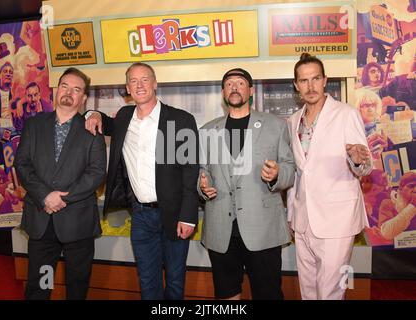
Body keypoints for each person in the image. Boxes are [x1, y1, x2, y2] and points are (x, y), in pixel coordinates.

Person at [85, 62, 199, 300]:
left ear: (155, 83)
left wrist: (188, 216)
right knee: (147, 281)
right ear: (127, 87)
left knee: (175, 282)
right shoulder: (125, 117)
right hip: (141, 217)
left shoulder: (180, 120)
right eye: (133, 81)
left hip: (174, 214)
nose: (139, 85)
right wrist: (91, 113)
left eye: (145, 79)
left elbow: (190, 172)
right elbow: (103, 122)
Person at [198, 68, 295, 300]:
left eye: (240, 83)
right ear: (223, 92)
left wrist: (277, 174)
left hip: (262, 230)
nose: (234, 87)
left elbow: (290, 168)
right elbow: (201, 171)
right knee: (226, 294)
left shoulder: (276, 125)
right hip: (221, 230)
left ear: (250, 90)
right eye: (229, 83)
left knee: (268, 293)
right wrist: (202, 186)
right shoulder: (207, 130)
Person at [14, 67, 106, 300]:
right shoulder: (34, 125)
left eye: (76, 89)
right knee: (41, 283)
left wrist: (62, 197)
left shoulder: (91, 130)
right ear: (56, 90)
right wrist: (46, 196)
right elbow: (22, 164)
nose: (69, 92)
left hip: (78, 223)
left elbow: (96, 173)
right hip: (41, 221)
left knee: (77, 285)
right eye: (65, 86)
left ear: (83, 98)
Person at [287, 53, 373, 300]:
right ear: (296, 85)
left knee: (332, 290)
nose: (310, 86)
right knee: (308, 289)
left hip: (337, 219)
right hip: (303, 220)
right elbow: (298, 173)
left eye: (315, 79)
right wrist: (292, 215)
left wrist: (358, 159)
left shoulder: (346, 114)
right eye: (303, 81)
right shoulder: (293, 121)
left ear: (325, 80)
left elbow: (365, 167)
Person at [377, 171, 416, 242]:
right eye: (411, 186)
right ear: (401, 188)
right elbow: (386, 233)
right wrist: (413, 206)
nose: (415, 189)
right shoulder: (388, 203)